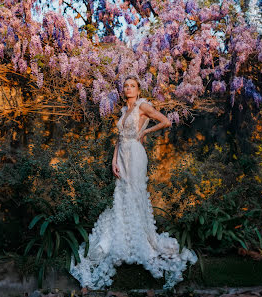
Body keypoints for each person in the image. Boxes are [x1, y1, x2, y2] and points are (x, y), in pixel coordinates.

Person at [70, 75, 198, 294]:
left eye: (132, 86)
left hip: (136, 155)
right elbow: (119, 138)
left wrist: (145, 132)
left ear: (138, 90)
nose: (129, 89)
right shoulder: (123, 111)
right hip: (121, 154)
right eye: (126, 86)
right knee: (121, 193)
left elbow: (165, 121)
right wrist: (113, 160)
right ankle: (124, 235)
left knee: (134, 193)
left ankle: (138, 240)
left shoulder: (143, 105)